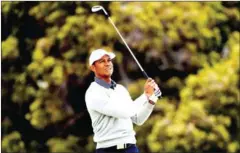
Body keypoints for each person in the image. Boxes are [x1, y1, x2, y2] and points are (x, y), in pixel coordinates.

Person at [85, 49, 161, 153]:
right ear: (93, 67)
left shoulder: (120, 89)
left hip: (130, 148)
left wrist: (151, 100)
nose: (107, 64)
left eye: (109, 60)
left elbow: (138, 119)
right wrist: (145, 95)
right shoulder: (93, 93)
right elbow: (125, 112)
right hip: (107, 150)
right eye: (102, 61)